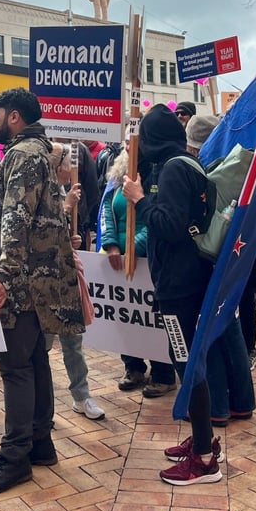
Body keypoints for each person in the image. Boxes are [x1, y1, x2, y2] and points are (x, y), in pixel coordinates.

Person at [0, 88, 83, 497]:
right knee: (34, 360)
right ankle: (39, 443)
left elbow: (16, 216)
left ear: (13, 116)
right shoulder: (37, 151)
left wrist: (1, 273)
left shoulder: (23, 155)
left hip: (21, 283)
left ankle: (14, 457)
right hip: (35, 280)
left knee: (15, 366)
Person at [120, 104, 224, 485]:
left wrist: (139, 199)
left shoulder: (174, 169)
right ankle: (201, 438)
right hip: (185, 278)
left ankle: (203, 457)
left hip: (180, 284)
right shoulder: (183, 163)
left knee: (186, 361)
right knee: (185, 359)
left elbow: (170, 225)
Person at [186, 114, 254, 428]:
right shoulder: (241, 167)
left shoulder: (213, 175)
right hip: (233, 254)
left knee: (209, 332)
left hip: (206, 256)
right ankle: (242, 400)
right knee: (229, 326)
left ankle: (217, 406)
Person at [99, 150, 177, 397]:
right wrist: (112, 244)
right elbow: (107, 213)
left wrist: (134, 248)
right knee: (126, 314)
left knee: (153, 319)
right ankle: (132, 366)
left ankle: (163, 372)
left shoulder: (158, 176)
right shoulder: (117, 178)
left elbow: (153, 218)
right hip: (117, 259)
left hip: (148, 257)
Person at [45, 143, 104, 421]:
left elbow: (61, 238)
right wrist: (65, 209)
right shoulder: (44, 192)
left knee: (73, 342)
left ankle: (82, 396)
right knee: (41, 345)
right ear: (60, 167)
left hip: (67, 277)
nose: (72, 170)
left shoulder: (66, 192)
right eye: (69, 164)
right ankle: (42, 403)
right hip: (44, 281)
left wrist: (72, 239)